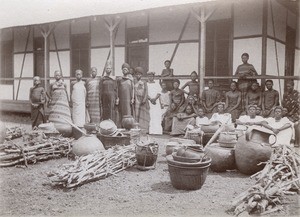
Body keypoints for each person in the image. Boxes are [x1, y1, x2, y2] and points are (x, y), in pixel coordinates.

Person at [282, 80, 299, 147]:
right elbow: (283, 104)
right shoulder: (285, 94)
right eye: (287, 86)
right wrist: (285, 112)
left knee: (295, 124)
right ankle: (285, 140)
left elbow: (298, 105)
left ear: (292, 86)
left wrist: (292, 112)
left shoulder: (297, 94)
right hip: (287, 113)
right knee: (284, 123)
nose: (288, 88)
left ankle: (296, 141)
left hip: (295, 113)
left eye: (289, 86)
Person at [134, 67, 150, 132]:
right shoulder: (134, 81)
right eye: (137, 74)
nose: (138, 76)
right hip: (136, 98)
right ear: (135, 75)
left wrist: (144, 99)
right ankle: (136, 127)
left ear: (141, 75)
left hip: (143, 98)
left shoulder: (144, 82)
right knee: (136, 113)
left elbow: (146, 91)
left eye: (140, 74)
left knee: (143, 113)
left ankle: (144, 128)